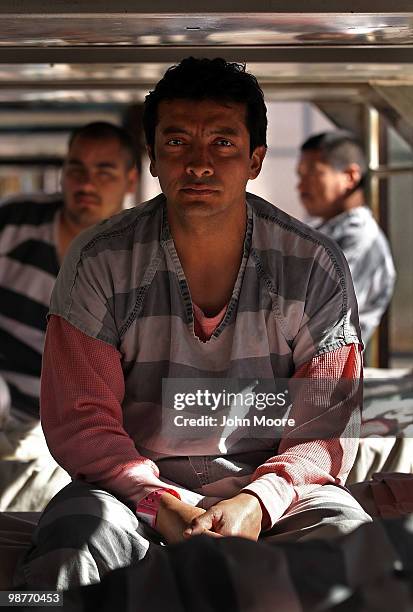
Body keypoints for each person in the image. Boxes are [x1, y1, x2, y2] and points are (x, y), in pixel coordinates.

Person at [15, 57, 370, 591]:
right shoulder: (100, 262)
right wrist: (161, 503)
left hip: (276, 494)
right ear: (153, 158)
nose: (199, 163)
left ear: (255, 159)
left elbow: (323, 430)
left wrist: (256, 501)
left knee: (355, 549)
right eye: (177, 143)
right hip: (127, 492)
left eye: (223, 144)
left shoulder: (312, 265)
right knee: (68, 554)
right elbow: (81, 421)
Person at [0, 121, 138, 511]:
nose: (86, 183)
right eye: (76, 169)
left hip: (67, 425)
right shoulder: (15, 221)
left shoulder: (133, 257)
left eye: (104, 172)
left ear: (130, 180)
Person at [297, 130, 396, 345]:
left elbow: (323, 316)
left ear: (350, 176)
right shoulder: (317, 230)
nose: (300, 186)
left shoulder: (360, 239)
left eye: (312, 174)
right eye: (300, 176)